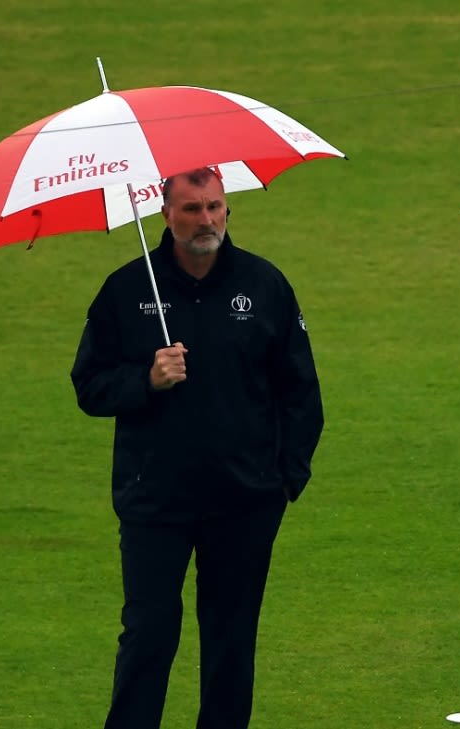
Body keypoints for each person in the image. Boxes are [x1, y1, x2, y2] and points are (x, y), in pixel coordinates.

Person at [70, 167, 323, 729]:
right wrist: (146, 380)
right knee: (149, 633)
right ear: (165, 215)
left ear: (227, 209)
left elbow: (301, 391)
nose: (205, 220)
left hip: (245, 502)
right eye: (191, 209)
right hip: (154, 502)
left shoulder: (265, 285)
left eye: (213, 207)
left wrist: (285, 481)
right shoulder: (127, 289)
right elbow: (88, 384)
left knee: (231, 642)